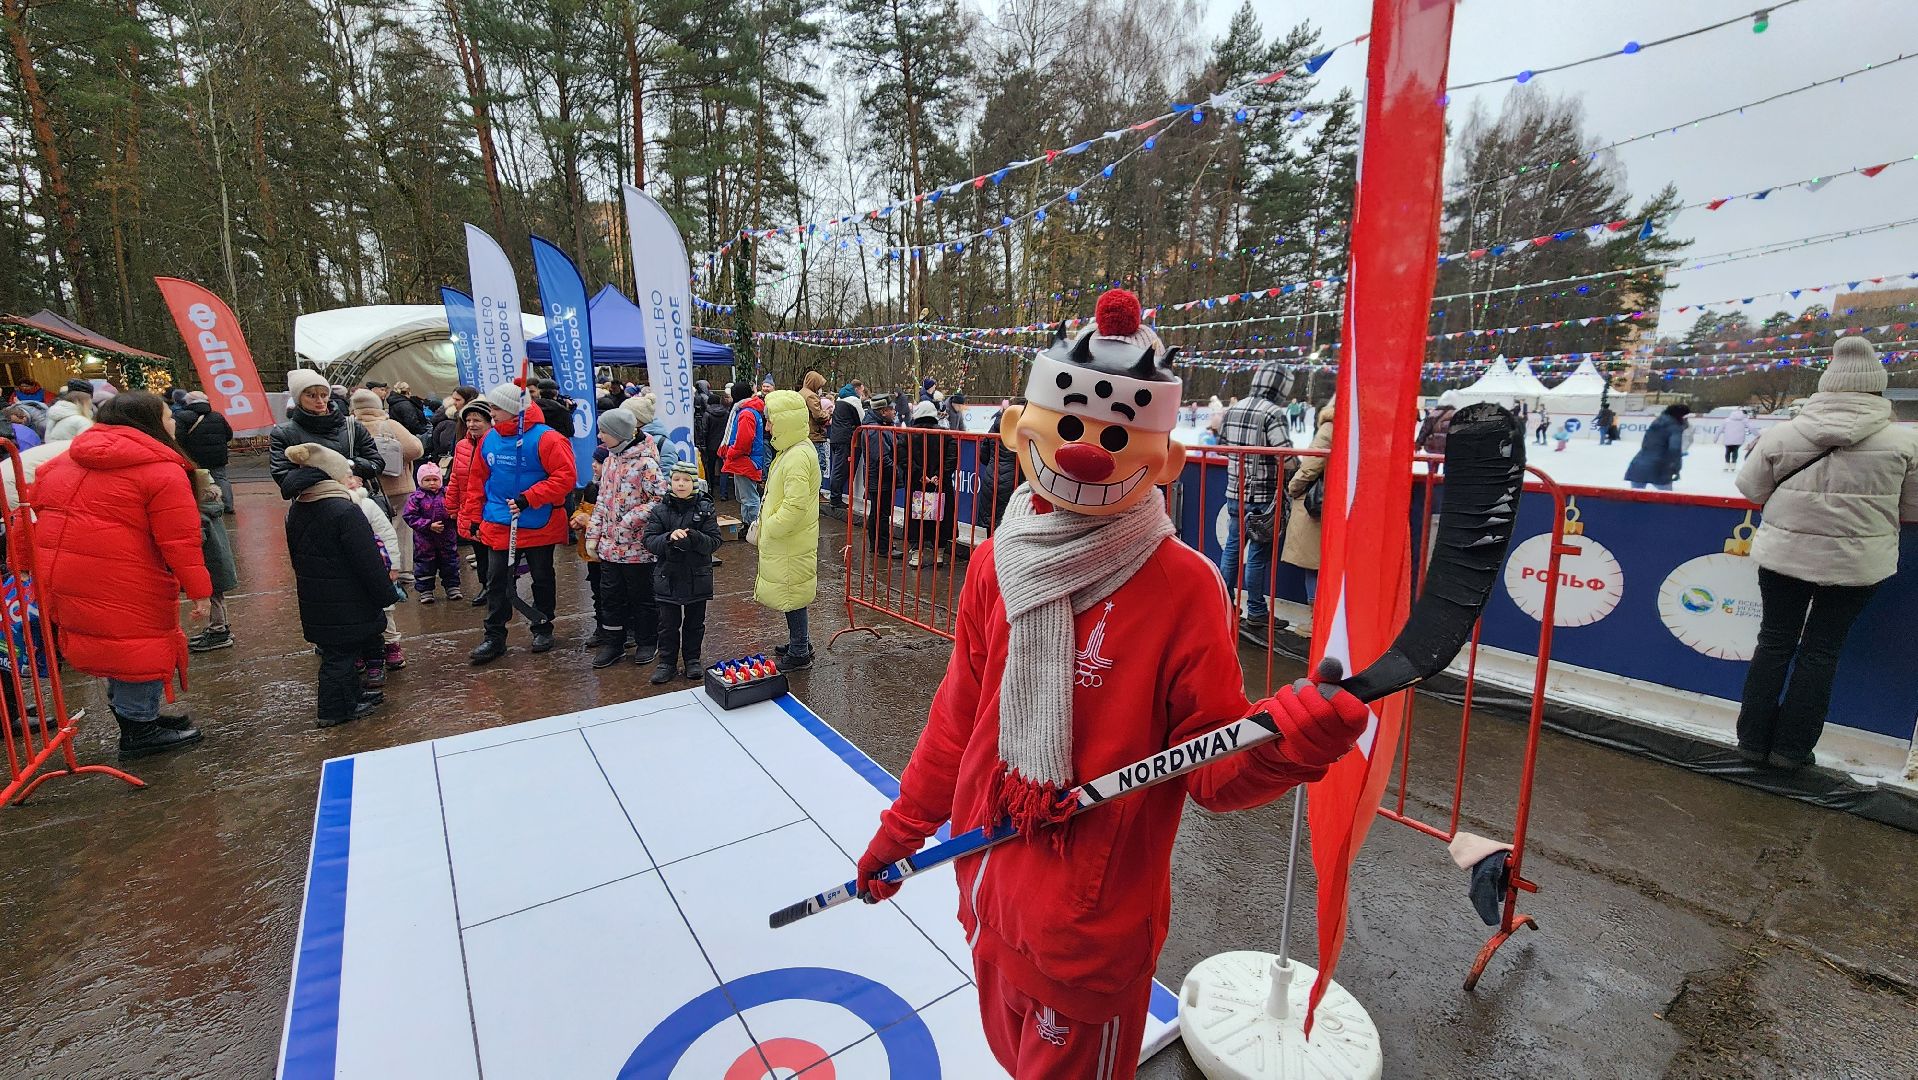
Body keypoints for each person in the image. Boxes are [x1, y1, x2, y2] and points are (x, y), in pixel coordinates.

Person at [852, 290, 1368, 1080]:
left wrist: (1287, 739)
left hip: (1086, 944)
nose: (1088, 454)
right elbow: (958, 719)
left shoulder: (1184, 588)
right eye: (1069, 427)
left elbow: (1213, 770)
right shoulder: (997, 559)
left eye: (1118, 436)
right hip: (987, 895)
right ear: (1021, 430)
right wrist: (900, 832)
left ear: (1163, 460)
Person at [1733, 337, 1918, 769]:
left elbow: (1751, 489)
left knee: (1774, 643)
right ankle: (1792, 750)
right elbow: (1912, 508)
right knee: (1821, 651)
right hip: (1857, 563)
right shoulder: (1904, 442)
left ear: (1827, 384)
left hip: (1784, 558)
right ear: (1878, 387)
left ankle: (1752, 741)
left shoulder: (1783, 434)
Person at [31, 391, 210, 758]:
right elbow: (180, 540)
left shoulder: (63, 461)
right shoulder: (161, 470)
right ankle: (139, 730)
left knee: (115, 645)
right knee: (139, 647)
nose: (173, 422)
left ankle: (138, 717)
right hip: (125, 576)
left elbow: (33, 514)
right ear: (150, 423)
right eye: (168, 416)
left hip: (69, 573)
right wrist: (200, 591)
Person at [461, 381, 577, 663]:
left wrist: (530, 497)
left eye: (496, 408)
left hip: (538, 521)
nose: (491, 412)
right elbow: (477, 480)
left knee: (542, 577)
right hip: (499, 521)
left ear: (514, 410)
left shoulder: (548, 438)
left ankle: (542, 625)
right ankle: (494, 636)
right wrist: (473, 517)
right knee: (496, 580)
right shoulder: (489, 438)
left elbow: (565, 477)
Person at [283, 444, 394, 727]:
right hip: (348, 597)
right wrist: (385, 593)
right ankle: (333, 710)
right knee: (340, 657)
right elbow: (367, 559)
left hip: (318, 596)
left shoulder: (298, 508)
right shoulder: (344, 510)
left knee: (341, 651)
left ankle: (351, 697)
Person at [584, 408, 665, 669]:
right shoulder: (609, 460)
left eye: (604, 431)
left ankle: (647, 641)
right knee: (611, 598)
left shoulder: (646, 464)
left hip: (638, 549)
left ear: (619, 433)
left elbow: (660, 499)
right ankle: (613, 643)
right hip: (610, 548)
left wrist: (631, 519)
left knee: (642, 598)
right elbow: (602, 501)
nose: (600, 436)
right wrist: (593, 534)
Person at [1218, 360, 1292, 640]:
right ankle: (1257, 612)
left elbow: (1222, 447)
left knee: (1232, 550)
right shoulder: (1273, 413)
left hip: (1235, 493)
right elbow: (1286, 456)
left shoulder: (1234, 408)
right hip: (1264, 497)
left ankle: (1224, 603)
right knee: (1258, 557)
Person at [753, 389, 821, 670]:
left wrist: (771, 527)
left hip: (791, 539)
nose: (768, 427)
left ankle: (799, 650)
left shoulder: (796, 456)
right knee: (791, 592)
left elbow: (795, 505)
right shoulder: (792, 450)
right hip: (791, 539)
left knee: (793, 595)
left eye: (771, 421)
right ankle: (800, 640)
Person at [643, 460, 722, 684]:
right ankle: (666, 662)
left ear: (694, 483)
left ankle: (692, 659)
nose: (681, 484)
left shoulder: (705, 509)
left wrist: (695, 538)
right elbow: (649, 540)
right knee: (667, 625)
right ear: (670, 482)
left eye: (686, 480)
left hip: (697, 577)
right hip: (667, 576)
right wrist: (669, 538)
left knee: (695, 624)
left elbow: (714, 541)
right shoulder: (660, 510)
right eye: (676, 479)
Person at [351, 388, 424, 594]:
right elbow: (415, 449)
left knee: (371, 527)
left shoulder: (350, 426)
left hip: (364, 487)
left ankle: (377, 568)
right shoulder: (389, 424)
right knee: (400, 526)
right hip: (398, 485)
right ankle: (403, 569)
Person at [272, 369, 383, 497]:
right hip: (314, 504)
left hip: (356, 501)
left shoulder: (352, 426)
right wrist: (338, 471)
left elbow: (377, 464)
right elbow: (286, 483)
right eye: (312, 396)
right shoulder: (284, 433)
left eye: (324, 395)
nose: (320, 401)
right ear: (298, 398)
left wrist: (351, 465)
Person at [1282, 401, 1336, 602]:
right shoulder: (1353, 429)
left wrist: (1293, 487)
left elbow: (1310, 466)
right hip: (1338, 503)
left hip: (1319, 504)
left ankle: (1315, 613)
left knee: (1314, 563)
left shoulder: (1329, 428)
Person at [444, 400, 493, 607]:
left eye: (477, 420)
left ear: (489, 422)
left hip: (491, 507)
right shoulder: (462, 446)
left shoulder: (497, 444)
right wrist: (452, 505)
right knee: (480, 551)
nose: (471, 424)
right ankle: (486, 586)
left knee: (495, 551)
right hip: (469, 507)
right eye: (469, 420)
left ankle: (502, 586)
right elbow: (455, 477)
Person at [187, 462, 239, 652]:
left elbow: (198, 538)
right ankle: (221, 627)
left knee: (213, 596)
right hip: (219, 561)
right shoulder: (212, 507)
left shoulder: (200, 513)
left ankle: (218, 630)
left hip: (210, 563)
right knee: (218, 596)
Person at [903, 400, 957, 568]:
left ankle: (916, 554)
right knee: (941, 517)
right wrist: (939, 476)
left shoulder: (909, 434)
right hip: (941, 484)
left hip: (917, 483)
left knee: (916, 518)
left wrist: (921, 475)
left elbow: (903, 458)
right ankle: (939, 554)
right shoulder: (945, 434)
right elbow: (952, 457)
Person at [402, 462, 462, 602]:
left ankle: (452, 587)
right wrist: (428, 525)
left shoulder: (447, 494)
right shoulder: (416, 498)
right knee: (425, 565)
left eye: (435, 479)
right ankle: (425, 590)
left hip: (446, 536)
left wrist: (453, 517)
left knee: (450, 562)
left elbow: (456, 508)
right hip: (425, 540)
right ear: (420, 481)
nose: (432, 483)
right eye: (427, 480)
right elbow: (409, 516)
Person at [172, 390, 236, 513]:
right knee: (221, 478)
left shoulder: (181, 417)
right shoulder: (217, 416)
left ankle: (200, 506)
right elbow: (229, 435)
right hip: (217, 455)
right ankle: (228, 505)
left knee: (196, 480)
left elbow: (179, 438)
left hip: (194, 456)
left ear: (188, 401)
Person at [720, 380, 770, 527]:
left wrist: (731, 452)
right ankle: (748, 525)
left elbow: (744, 442)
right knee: (745, 497)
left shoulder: (746, 413)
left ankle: (753, 527)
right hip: (746, 460)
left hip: (745, 460)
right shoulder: (749, 411)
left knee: (748, 498)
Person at [973, 398, 1023, 533]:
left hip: (992, 476)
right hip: (1015, 479)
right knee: (1009, 524)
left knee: (991, 520)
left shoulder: (995, 427)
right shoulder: (1025, 430)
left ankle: (990, 547)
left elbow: (983, 455)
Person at [860, 397, 901, 557]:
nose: (894, 412)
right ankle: (882, 548)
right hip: (880, 478)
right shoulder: (875, 430)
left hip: (878, 477)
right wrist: (897, 471)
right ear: (883, 411)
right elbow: (882, 458)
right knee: (881, 514)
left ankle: (877, 546)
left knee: (878, 512)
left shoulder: (878, 426)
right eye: (891, 409)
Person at [1624, 404, 1690, 491]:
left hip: (1638, 464)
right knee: (1666, 497)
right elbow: (1674, 449)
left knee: (1636, 496)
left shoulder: (1657, 422)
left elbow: (1647, 443)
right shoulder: (1675, 427)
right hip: (1659, 467)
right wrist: (1676, 469)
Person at [826, 381, 865, 508]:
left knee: (836, 468)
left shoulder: (840, 399)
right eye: (861, 390)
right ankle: (835, 499)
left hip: (835, 438)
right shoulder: (854, 400)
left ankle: (835, 496)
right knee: (841, 470)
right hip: (846, 439)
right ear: (857, 389)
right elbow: (862, 419)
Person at [622, 393, 678, 473]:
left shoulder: (663, 444)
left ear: (637, 419)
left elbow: (668, 476)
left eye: (623, 417)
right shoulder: (622, 439)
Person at [701, 384, 732, 500]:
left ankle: (711, 492)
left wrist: (703, 443)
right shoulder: (726, 413)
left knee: (710, 468)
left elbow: (704, 430)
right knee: (724, 469)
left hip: (711, 446)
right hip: (723, 444)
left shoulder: (707, 414)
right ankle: (724, 493)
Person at [1719, 407, 1752, 472]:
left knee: (1728, 451)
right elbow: (1751, 428)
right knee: (1735, 451)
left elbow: (1719, 429)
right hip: (1738, 439)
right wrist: (1758, 435)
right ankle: (1733, 465)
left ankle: (1727, 465)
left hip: (1728, 438)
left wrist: (1715, 438)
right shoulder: (1744, 420)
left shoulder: (1727, 420)